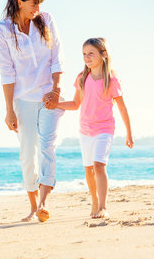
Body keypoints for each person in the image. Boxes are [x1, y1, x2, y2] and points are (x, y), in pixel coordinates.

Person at [0, 0, 64, 222]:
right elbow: (6, 72)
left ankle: (43, 203)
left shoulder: (46, 21)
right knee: (27, 154)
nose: (37, 8)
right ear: (19, 2)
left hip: (48, 96)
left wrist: (55, 90)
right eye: (33, 4)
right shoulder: (2, 31)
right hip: (22, 99)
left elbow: (56, 59)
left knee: (47, 147)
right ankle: (33, 206)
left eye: (40, 4)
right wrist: (9, 109)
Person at [56, 38, 133, 219]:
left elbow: (122, 107)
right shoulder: (82, 78)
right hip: (85, 130)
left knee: (99, 165)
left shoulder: (112, 79)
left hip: (105, 129)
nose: (87, 57)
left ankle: (103, 207)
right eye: (84, 54)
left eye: (91, 53)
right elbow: (75, 104)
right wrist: (55, 105)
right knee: (89, 169)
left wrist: (129, 133)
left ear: (103, 54)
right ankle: (95, 201)